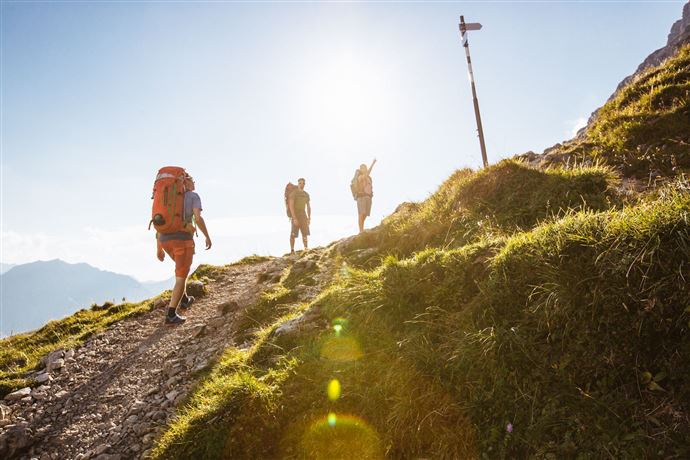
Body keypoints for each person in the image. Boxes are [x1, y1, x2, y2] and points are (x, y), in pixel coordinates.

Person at [156, 173, 212, 325]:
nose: (194, 182)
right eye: (193, 180)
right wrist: (207, 236)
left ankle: (185, 299)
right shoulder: (193, 196)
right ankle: (171, 314)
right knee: (181, 276)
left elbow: (160, 221)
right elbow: (198, 218)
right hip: (182, 241)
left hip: (165, 241)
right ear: (186, 182)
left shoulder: (167, 198)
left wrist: (159, 248)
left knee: (181, 270)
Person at [288, 177, 311, 254]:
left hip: (303, 215)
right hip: (296, 215)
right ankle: (292, 250)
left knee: (305, 233)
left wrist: (309, 218)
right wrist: (294, 218)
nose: (302, 185)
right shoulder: (294, 193)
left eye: (303, 183)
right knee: (293, 234)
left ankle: (306, 249)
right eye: (300, 183)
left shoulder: (306, 194)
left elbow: (308, 206)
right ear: (298, 184)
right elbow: (291, 206)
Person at [355, 159, 376, 233]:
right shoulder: (360, 177)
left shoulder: (369, 178)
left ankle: (362, 229)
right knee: (361, 214)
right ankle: (361, 231)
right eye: (362, 168)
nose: (364, 169)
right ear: (360, 169)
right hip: (361, 197)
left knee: (365, 214)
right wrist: (372, 164)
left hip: (368, 197)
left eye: (365, 167)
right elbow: (367, 173)